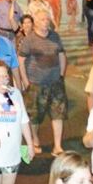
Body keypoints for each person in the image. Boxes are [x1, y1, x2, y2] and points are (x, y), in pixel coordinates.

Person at [19, 10, 68, 156]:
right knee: (34, 116)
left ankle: (57, 146)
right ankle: (35, 139)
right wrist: (25, 81)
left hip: (55, 82)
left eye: (47, 19)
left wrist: (61, 75)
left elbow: (61, 55)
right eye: (42, 19)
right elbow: (21, 61)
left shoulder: (55, 36)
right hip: (35, 84)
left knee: (58, 114)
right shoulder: (29, 40)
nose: (46, 22)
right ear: (35, 22)